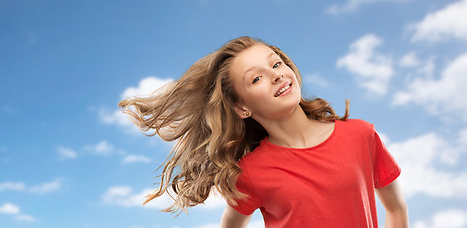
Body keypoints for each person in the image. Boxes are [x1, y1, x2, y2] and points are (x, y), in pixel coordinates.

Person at [119, 36, 408, 227]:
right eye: (256, 78)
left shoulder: (360, 135)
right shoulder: (251, 174)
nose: (275, 75)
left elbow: (395, 210)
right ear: (241, 107)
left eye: (276, 63)